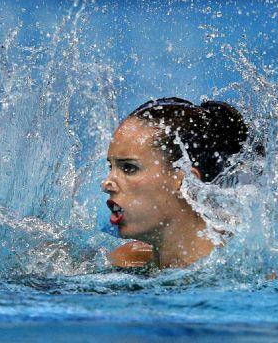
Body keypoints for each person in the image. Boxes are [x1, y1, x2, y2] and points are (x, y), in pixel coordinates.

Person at [102, 97, 250, 269]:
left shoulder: (237, 272)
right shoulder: (126, 259)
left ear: (185, 180)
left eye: (129, 168)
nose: (106, 184)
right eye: (110, 167)